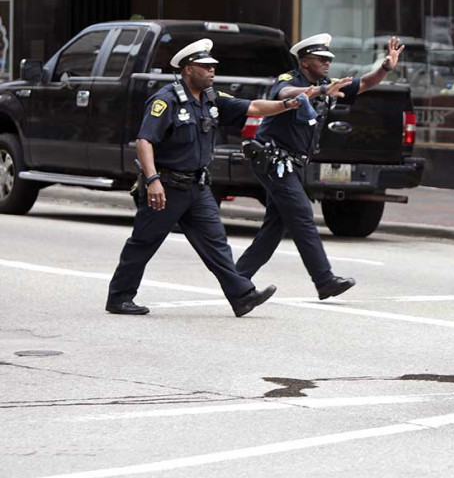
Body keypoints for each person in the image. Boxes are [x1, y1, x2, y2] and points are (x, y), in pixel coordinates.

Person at [106, 39, 308, 317]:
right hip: (167, 186)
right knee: (144, 242)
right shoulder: (166, 100)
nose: (212, 71)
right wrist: (152, 180)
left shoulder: (212, 98)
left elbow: (254, 108)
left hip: (197, 187)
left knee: (216, 244)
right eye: (205, 67)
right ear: (188, 69)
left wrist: (289, 104)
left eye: (213, 66)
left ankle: (241, 296)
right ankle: (119, 298)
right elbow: (144, 141)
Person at [234, 33, 404, 299]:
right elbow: (286, 93)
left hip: (296, 164)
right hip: (275, 161)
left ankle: (237, 278)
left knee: (274, 228)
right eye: (321, 59)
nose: (327, 63)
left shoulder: (328, 83)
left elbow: (362, 85)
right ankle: (324, 280)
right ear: (304, 62)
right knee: (302, 217)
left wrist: (385, 67)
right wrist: (320, 91)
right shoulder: (290, 80)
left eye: (328, 59)